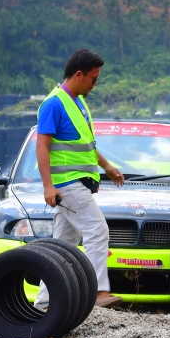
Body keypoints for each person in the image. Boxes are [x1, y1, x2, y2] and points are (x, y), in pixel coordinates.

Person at [34, 48, 125, 309]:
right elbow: (42, 147)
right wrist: (47, 186)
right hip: (67, 185)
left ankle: (42, 307)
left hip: (76, 184)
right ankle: (97, 292)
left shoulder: (79, 103)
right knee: (98, 230)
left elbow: (84, 144)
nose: (95, 84)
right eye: (94, 79)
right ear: (78, 74)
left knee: (61, 249)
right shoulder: (53, 104)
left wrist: (106, 166)